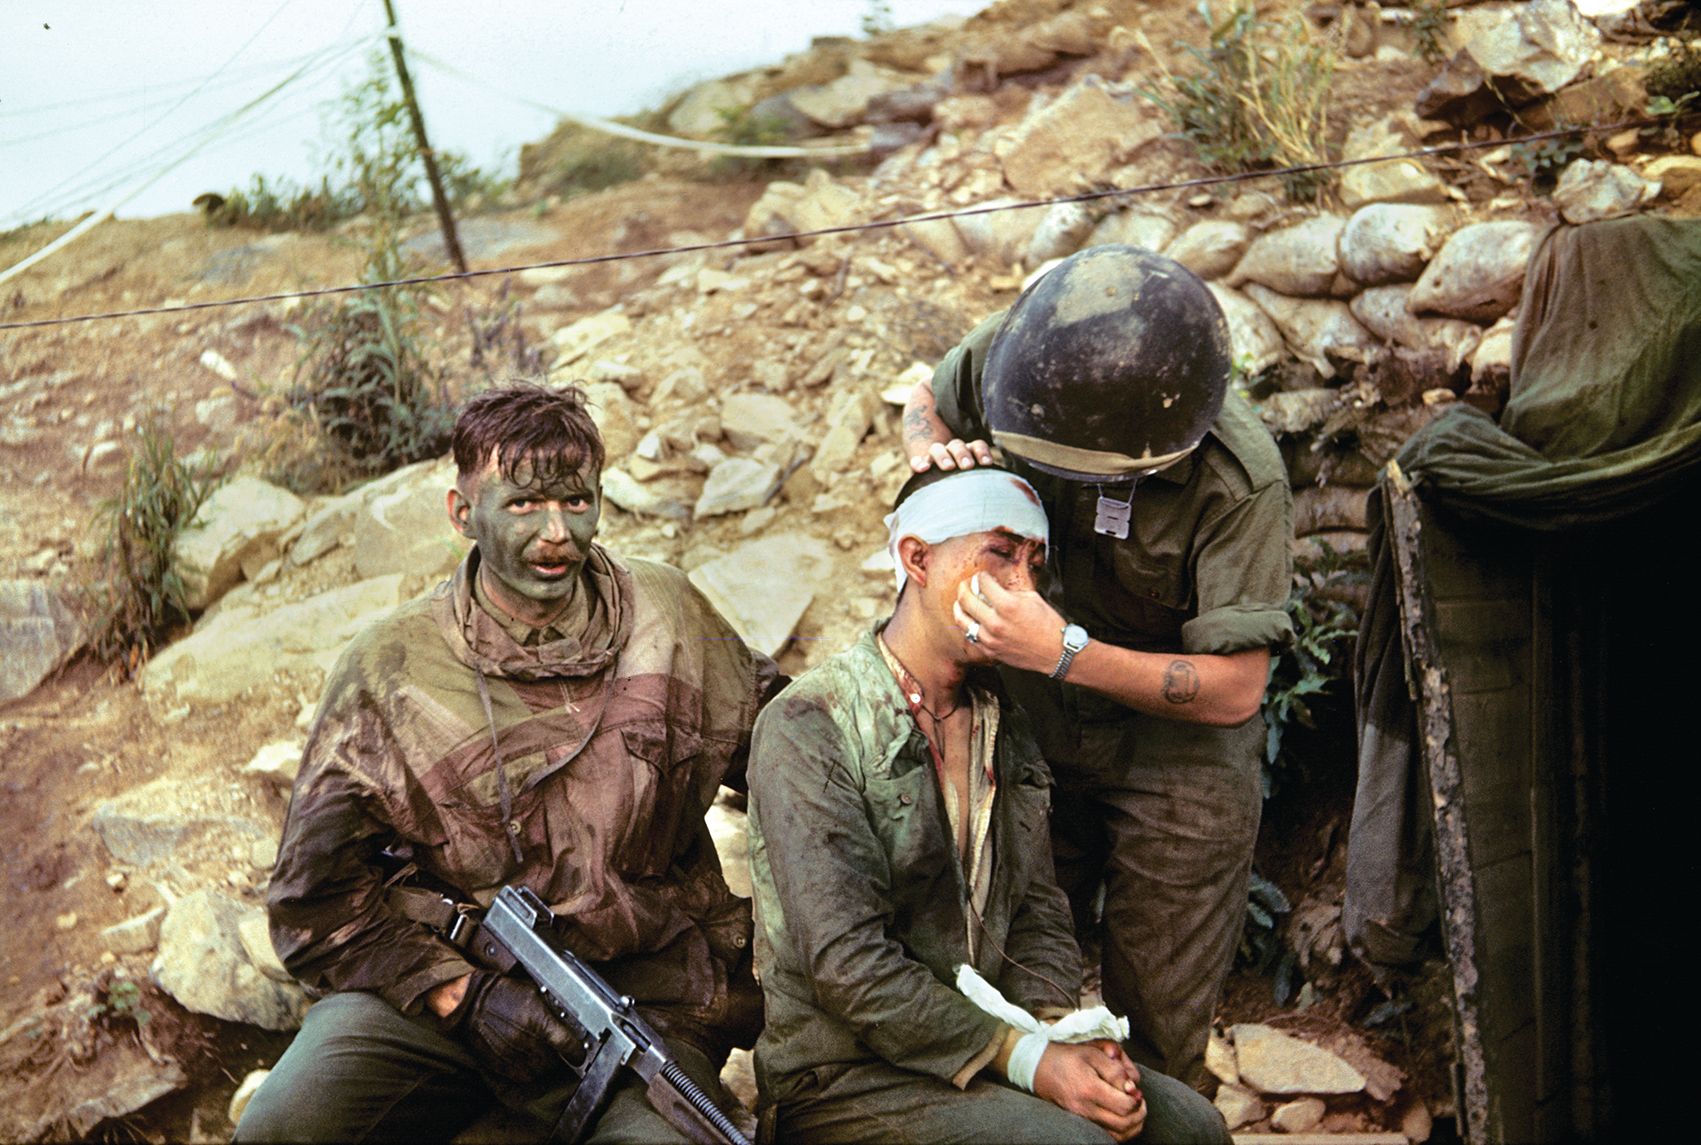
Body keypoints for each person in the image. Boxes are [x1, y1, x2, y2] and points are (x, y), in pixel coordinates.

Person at [235, 382, 778, 1143]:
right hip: (443, 999)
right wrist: (460, 994)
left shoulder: (670, 616)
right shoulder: (391, 669)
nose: (557, 533)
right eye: (523, 504)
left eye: (576, 501)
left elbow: (790, 758)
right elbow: (311, 898)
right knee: (283, 1127)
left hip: (642, 1000)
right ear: (463, 514)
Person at [900, 244, 1294, 1089]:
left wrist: (1061, 651)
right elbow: (925, 404)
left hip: (1175, 753)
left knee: (1158, 1015)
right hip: (1032, 725)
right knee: (997, 979)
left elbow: (1234, 689)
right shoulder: (1028, 354)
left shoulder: (1237, 479)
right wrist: (934, 454)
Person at [746, 464, 1231, 1144]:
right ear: (916, 558)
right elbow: (848, 966)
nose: (1022, 587)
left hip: (993, 1049)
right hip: (847, 1077)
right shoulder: (810, 722)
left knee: (1190, 1127)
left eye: (1034, 563)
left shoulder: (1005, 722)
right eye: (999, 554)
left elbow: (1037, 908)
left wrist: (1061, 1032)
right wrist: (1029, 1059)